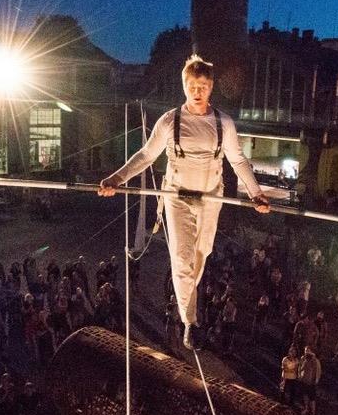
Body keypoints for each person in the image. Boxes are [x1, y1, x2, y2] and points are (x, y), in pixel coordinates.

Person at [99, 55, 269, 349]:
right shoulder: (169, 121)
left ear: (211, 87)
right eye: (192, 85)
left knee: (201, 254)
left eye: (203, 85)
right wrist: (117, 178)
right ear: (184, 86)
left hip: (210, 198)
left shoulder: (223, 123)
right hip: (176, 197)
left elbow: (238, 160)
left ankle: (188, 312)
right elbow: (146, 156)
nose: (197, 90)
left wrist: (255, 193)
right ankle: (190, 321)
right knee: (180, 259)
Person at [298, 346, 322, 415]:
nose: (306, 352)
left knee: (312, 398)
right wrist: (299, 376)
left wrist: (316, 380)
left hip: (311, 383)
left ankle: (313, 413)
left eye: (308, 351)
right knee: (305, 395)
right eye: (305, 350)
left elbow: (318, 371)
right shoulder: (303, 358)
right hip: (304, 381)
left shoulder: (316, 360)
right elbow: (300, 368)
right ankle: (306, 408)